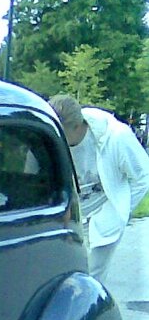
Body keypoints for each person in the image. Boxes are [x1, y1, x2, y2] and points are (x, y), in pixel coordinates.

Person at [50, 94, 149, 283]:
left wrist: (119, 212)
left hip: (103, 216)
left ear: (77, 127)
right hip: (72, 215)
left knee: (89, 277)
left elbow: (142, 177)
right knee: (63, 272)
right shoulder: (59, 135)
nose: (58, 139)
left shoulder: (116, 137)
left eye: (62, 134)